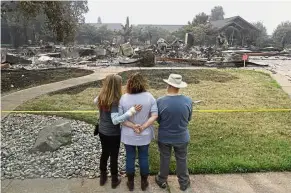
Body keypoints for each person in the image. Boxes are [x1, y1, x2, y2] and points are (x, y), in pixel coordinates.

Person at [93, 74, 142, 189]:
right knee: (114, 155)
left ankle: (103, 177)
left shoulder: (101, 96)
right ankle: (114, 180)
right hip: (113, 134)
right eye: (120, 84)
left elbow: (95, 101)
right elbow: (115, 121)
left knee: (104, 153)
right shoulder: (114, 102)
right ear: (116, 86)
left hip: (102, 131)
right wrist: (131, 111)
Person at [119, 72, 158, 191]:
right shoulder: (149, 97)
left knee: (129, 157)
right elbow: (154, 115)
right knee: (144, 157)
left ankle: (130, 183)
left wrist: (133, 126)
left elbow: (121, 119)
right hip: (144, 134)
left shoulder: (123, 98)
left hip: (128, 134)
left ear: (129, 84)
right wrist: (143, 127)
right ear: (143, 83)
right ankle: (144, 182)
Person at [155, 74, 193, 191]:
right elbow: (189, 118)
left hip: (164, 137)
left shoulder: (160, 101)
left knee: (164, 158)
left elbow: (158, 119)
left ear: (168, 85)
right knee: (182, 159)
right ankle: (184, 183)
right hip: (182, 136)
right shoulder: (188, 100)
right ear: (179, 86)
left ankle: (161, 179)